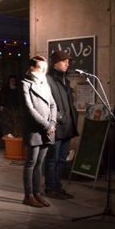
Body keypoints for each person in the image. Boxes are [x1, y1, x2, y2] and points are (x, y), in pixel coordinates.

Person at [21, 56, 56, 208]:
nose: (43, 70)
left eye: (45, 68)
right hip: (35, 129)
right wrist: (47, 125)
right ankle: (28, 196)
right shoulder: (25, 84)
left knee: (39, 164)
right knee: (31, 163)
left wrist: (52, 122)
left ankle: (37, 194)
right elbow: (30, 109)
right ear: (32, 68)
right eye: (40, 67)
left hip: (47, 129)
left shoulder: (45, 83)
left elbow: (53, 104)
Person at [45, 50, 79, 199]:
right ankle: (50, 188)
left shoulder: (66, 81)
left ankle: (57, 187)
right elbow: (46, 103)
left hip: (68, 126)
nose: (67, 64)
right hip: (56, 126)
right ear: (55, 63)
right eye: (64, 61)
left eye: (68, 61)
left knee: (62, 159)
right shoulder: (48, 80)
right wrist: (58, 117)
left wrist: (73, 116)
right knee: (52, 158)